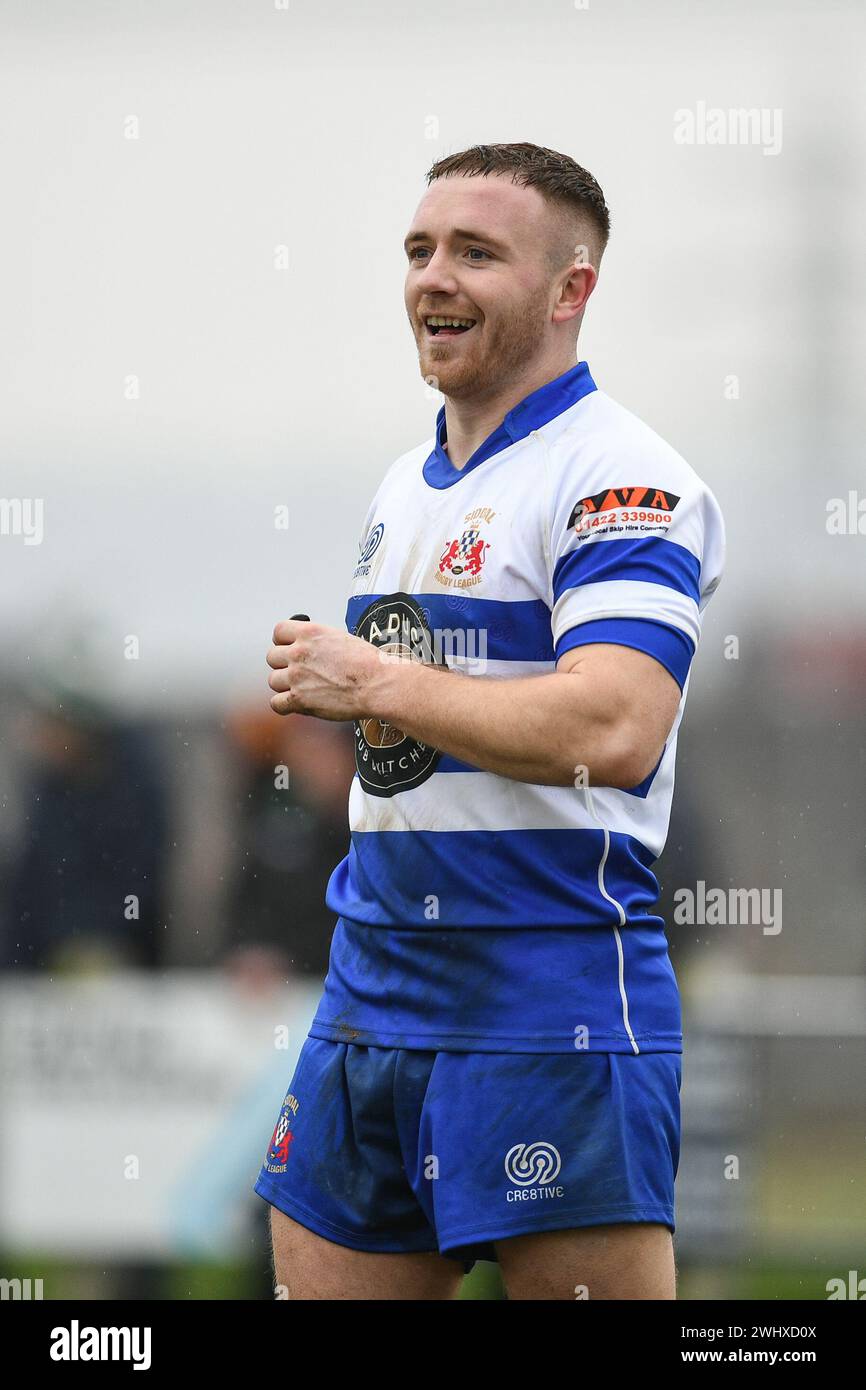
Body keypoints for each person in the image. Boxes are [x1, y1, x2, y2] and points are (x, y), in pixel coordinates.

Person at [254, 142, 725, 1300]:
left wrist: (372, 683)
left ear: (571, 288)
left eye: (475, 251)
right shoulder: (400, 484)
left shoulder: (623, 476)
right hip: (369, 993)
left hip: (544, 1008)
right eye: (418, 250)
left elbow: (616, 725)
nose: (432, 277)